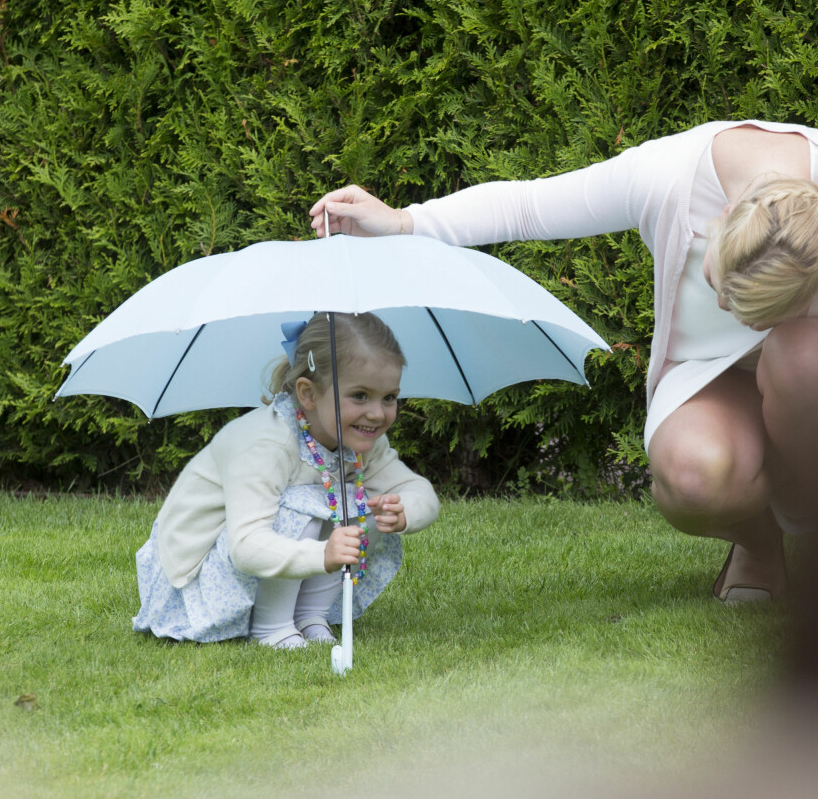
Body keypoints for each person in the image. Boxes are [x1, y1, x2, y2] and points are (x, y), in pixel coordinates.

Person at [310, 119, 818, 604]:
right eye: (718, 290)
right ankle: (759, 543)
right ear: (722, 216)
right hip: (710, 380)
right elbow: (528, 207)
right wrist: (403, 221)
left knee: (803, 355)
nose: (729, 312)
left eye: (759, 313)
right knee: (693, 476)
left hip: (804, 383)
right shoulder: (671, 175)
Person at [132, 311, 440, 648]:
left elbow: (417, 489)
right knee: (303, 503)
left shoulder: (363, 444)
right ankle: (271, 626)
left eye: (389, 397)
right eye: (360, 396)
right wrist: (322, 555)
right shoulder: (268, 443)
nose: (378, 413)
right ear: (308, 393)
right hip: (196, 573)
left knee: (370, 504)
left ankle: (309, 614)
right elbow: (246, 545)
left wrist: (403, 510)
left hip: (258, 562)